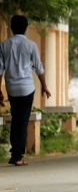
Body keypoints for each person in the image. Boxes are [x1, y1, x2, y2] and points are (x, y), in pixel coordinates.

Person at [0, 16, 52, 166]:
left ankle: (14, 152)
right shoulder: (31, 45)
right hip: (27, 88)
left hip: (12, 88)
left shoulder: (4, 45)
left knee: (16, 119)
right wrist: (44, 85)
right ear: (26, 28)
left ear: (11, 27)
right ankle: (18, 156)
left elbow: (0, 69)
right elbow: (39, 67)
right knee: (22, 120)